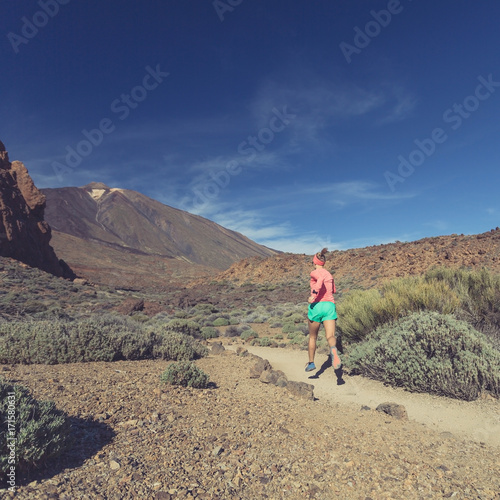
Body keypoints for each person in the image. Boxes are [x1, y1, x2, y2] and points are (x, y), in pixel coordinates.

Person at [305, 248, 342, 372]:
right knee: (330, 336)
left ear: (315, 263)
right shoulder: (329, 274)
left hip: (317, 306)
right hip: (329, 306)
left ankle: (311, 363)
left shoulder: (314, 273)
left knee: (312, 337)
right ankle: (333, 351)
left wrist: (313, 296)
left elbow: (320, 280)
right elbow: (333, 290)